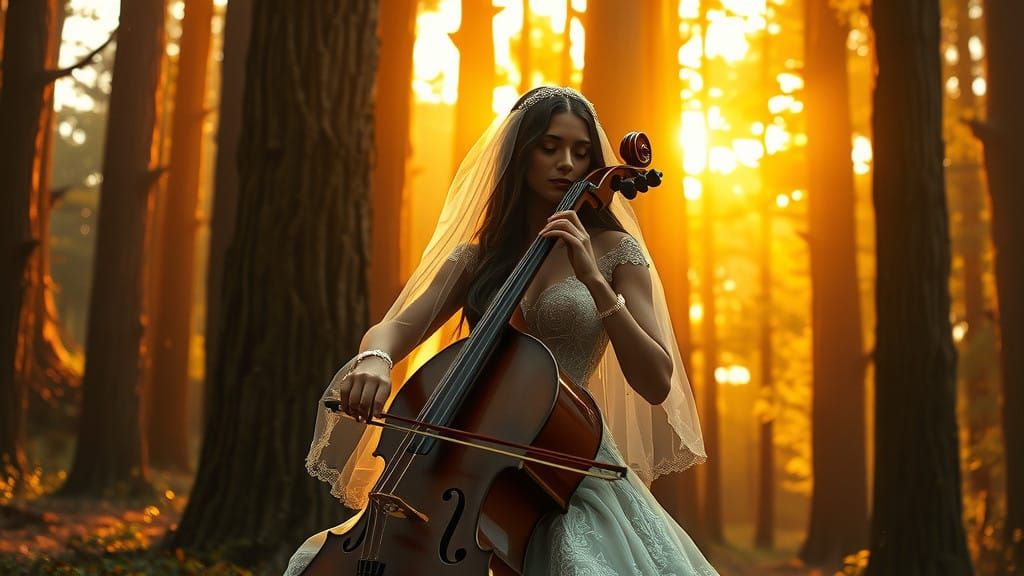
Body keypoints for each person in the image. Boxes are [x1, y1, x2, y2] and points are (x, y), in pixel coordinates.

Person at [285, 86, 717, 575]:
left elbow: (657, 380)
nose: (567, 164)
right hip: (462, 467)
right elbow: (395, 327)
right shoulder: (479, 257)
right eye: (549, 147)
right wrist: (375, 360)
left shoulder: (616, 253)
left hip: (564, 469)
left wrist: (595, 283)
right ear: (520, 153)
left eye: (580, 152)